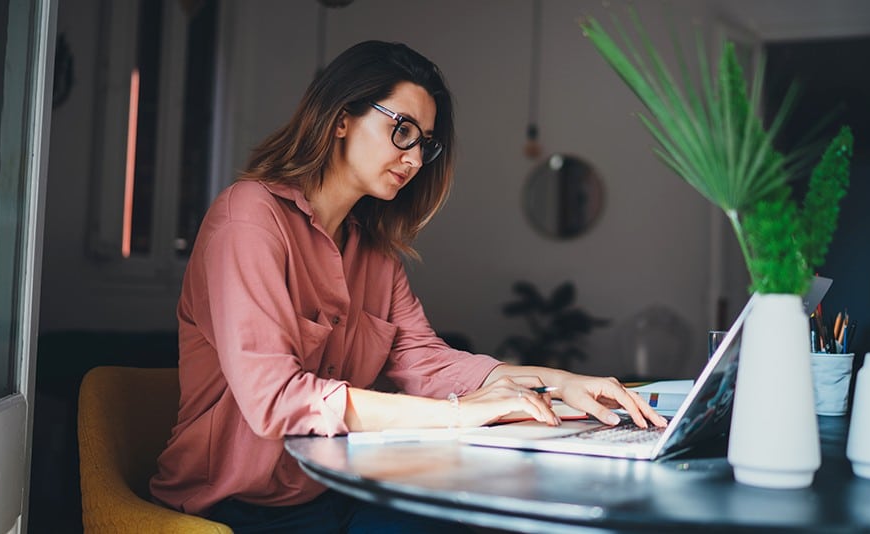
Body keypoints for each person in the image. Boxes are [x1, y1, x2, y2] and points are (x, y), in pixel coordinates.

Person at [149, 40, 666, 533]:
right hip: (235, 505)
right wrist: (459, 416)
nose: (416, 160)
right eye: (403, 131)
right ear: (341, 119)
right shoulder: (248, 218)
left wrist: (558, 382)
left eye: (425, 143)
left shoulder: (374, 253)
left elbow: (427, 362)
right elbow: (276, 399)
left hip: (336, 485)